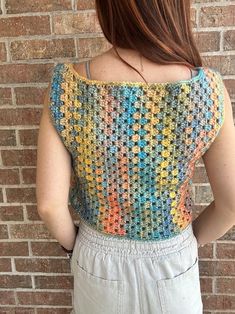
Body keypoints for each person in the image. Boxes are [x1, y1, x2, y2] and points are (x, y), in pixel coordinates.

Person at [36, 1, 235, 313]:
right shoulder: (207, 90)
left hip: (97, 255)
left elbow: (49, 205)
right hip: (173, 256)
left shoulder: (67, 87)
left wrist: (75, 247)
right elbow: (232, 204)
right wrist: (182, 245)